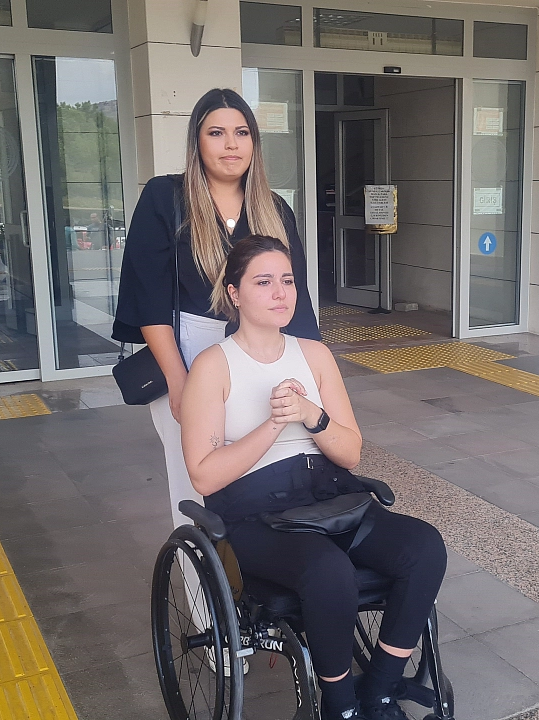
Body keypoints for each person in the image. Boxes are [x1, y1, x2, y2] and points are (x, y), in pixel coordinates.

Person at [181, 236, 446, 720]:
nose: (281, 292)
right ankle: (339, 706)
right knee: (329, 572)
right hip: (256, 511)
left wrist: (311, 415)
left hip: (328, 494)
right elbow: (203, 476)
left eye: (287, 280)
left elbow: (350, 453)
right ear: (235, 293)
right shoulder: (213, 366)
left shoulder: (314, 354)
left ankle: (379, 691)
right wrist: (274, 423)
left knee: (424, 547)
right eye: (264, 282)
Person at [113, 88, 320, 532]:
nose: (231, 144)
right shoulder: (165, 197)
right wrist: (178, 381)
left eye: (242, 133)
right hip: (189, 351)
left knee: (268, 469)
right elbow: (149, 298)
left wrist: (314, 374)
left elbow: (292, 296)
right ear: (197, 141)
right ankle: (201, 576)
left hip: (264, 352)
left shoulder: (274, 209)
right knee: (197, 483)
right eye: (216, 133)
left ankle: (263, 568)